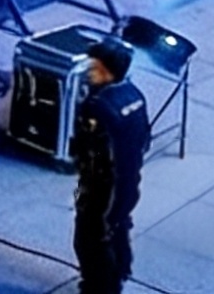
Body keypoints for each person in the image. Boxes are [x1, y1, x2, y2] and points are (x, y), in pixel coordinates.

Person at [73, 37, 150, 294]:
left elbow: (92, 149)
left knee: (90, 240)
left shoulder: (98, 106)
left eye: (95, 67)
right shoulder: (135, 95)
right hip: (130, 181)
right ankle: (119, 272)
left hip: (102, 187)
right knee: (117, 228)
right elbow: (145, 138)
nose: (90, 73)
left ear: (108, 71)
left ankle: (100, 288)